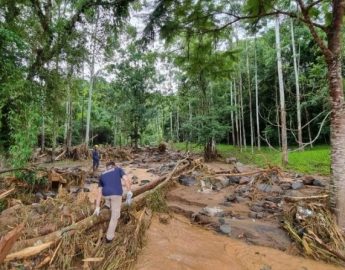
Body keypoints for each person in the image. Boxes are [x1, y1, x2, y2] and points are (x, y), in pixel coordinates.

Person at [93, 161, 133, 243]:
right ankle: (109, 238)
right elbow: (126, 180)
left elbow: (99, 192)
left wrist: (97, 207)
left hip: (106, 195)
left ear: (107, 167)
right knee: (115, 216)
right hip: (116, 195)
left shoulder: (102, 174)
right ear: (114, 165)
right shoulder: (118, 169)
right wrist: (129, 191)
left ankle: (107, 205)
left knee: (108, 194)